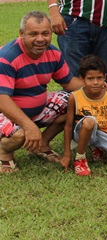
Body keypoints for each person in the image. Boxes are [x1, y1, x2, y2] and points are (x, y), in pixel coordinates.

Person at [0, 11, 82, 173]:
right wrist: (29, 126)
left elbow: (69, 82)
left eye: (45, 33)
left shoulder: (53, 53)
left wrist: (99, 90)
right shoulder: (7, 57)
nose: (40, 39)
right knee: (19, 134)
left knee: (74, 101)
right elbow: (2, 99)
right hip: (5, 112)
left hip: (36, 110)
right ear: (22, 34)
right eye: (33, 34)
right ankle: (4, 153)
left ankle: (42, 144)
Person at [60, 55, 107, 176]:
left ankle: (96, 147)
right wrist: (67, 154)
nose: (96, 82)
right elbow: (68, 126)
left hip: (103, 131)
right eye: (90, 79)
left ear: (105, 77)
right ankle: (80, 158)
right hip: (81, 131)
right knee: (90, 121)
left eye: (99, 78)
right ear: (82, 79)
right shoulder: (75, 97)